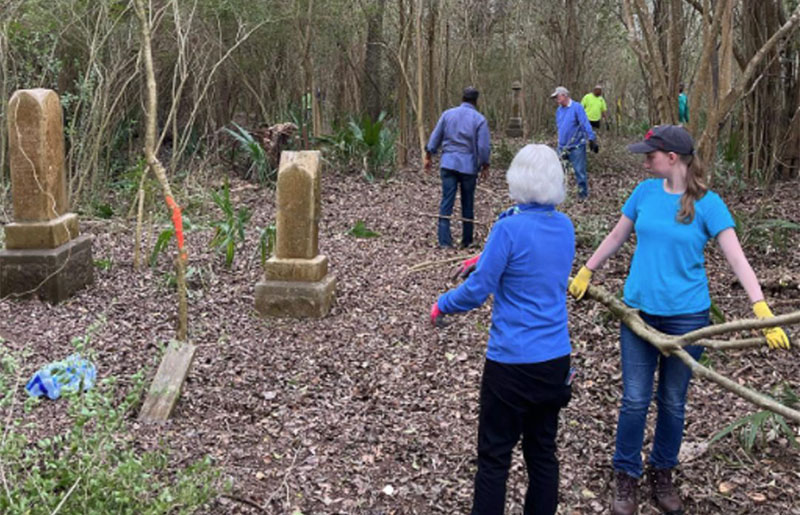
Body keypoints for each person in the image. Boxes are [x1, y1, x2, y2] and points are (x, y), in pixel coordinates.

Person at [567, 125, 790, 515]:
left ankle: (663, 472)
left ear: (673, 158)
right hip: (638, 313)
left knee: (672, 401)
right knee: (634, 400)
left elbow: (737, 259)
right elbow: (617, 236)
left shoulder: (709, 203)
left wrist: (761, 311)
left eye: (650, 155)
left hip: (688, 319)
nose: (644, 160)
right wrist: (586, 270)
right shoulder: (643, 194)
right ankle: (626, 475)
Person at [430, 144, 575, 515]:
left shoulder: (507, 229)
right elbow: (535, 257)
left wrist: (442, 303)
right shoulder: (564, 226)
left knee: (494, 456)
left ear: (518, 179)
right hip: (554, 360)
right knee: (542, 453)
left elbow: (478, 291)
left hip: (511, 364)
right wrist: (484, 255)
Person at [425, 86, 491, 249]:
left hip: (448, 163)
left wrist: (428, 155)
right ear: (476, 101)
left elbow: (435, 137)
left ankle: (444, 241)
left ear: (462, 98)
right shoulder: (479, 119)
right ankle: (466, 240)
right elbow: (483, 147)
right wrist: (485, 164)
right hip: (468, 166)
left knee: (446, 201)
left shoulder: (447, 115)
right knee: (468, 203)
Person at [551, 86, 597, 199]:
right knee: (560, 172)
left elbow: (585, 123)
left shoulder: (577, 107)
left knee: (579, 172)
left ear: (564, 95)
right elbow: (560, 127)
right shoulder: (559, 110)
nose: (556, 99)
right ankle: (560, 196)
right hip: (562, 146)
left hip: (576, 146)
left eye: (557, 97)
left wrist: (591, 138)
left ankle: (583, 195)